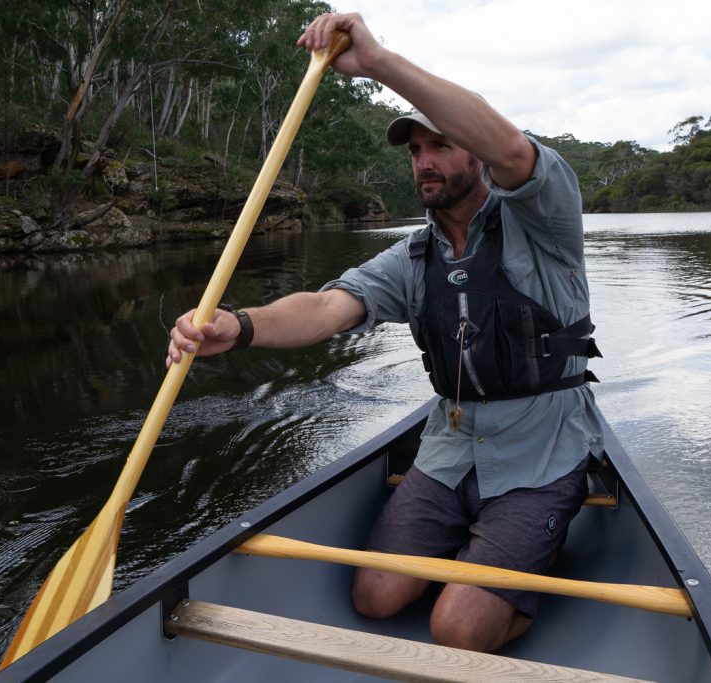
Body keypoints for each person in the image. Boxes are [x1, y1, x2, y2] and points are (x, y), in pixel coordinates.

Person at [167, 12, 605, 653]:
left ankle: (525, 562)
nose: (424, 162)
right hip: (452, 445)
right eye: (416, 151)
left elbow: (514, 152)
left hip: (544, 450)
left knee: (454, 630)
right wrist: (239, 327)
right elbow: (325, 307)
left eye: (440, 145)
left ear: (474, 153)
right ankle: (480, 549)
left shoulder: (543, 223)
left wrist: (377, 63)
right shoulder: (413, 258)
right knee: (374, 598)